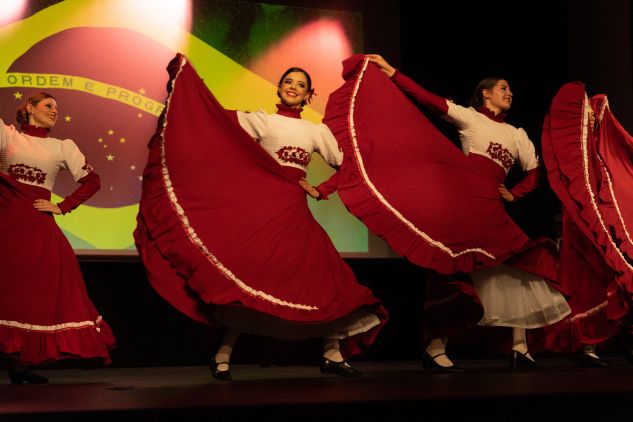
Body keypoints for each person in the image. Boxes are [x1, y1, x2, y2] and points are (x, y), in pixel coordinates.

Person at [302, 53, 570, 371]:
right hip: (462, 201)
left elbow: (536, 172)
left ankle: (520, 347)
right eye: (502, 87)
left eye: (510, 89)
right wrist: (391, 73)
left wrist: (515, 193)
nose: (509, 92)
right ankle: (436, 346)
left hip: (491, 207)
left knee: (517, 265)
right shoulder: (471, 117)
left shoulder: (517, 135)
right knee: (455, 269)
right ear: (485, 93)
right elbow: (428, 100)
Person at [134, 54, 388, 381]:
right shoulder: (264, 121)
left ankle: (332, 353)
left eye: (300, 85)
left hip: (294, 211)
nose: (293, 88)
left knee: (327, 275)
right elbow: (212, 119)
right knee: (251, 278)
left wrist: (321, 190)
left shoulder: (316, 131)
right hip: (262, 211)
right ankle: (223, 356)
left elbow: (349, 166)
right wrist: (184, 97)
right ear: (279, 89)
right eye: (288, 83)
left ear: (309, 95)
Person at [0, 92, 116, 384]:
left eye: (56, 108)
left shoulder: (62, 146)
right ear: (30, 107)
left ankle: (20, 368)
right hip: (5, 225)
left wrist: (62, 206)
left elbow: (93, 180)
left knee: (33, 295)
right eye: (48, 106)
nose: (54, 112)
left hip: (38, 229)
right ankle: (17, 365)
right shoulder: (8, 137)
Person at [540, 82, 633, 367]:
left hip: (605, 219)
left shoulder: (600, 149)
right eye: (586, 112)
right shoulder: (580, 157)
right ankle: (587, 347)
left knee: (615, 277)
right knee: (589, 279)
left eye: (592, 113)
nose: (591, 116)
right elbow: (581, 189)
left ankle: (619, 342)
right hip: (583, 221)